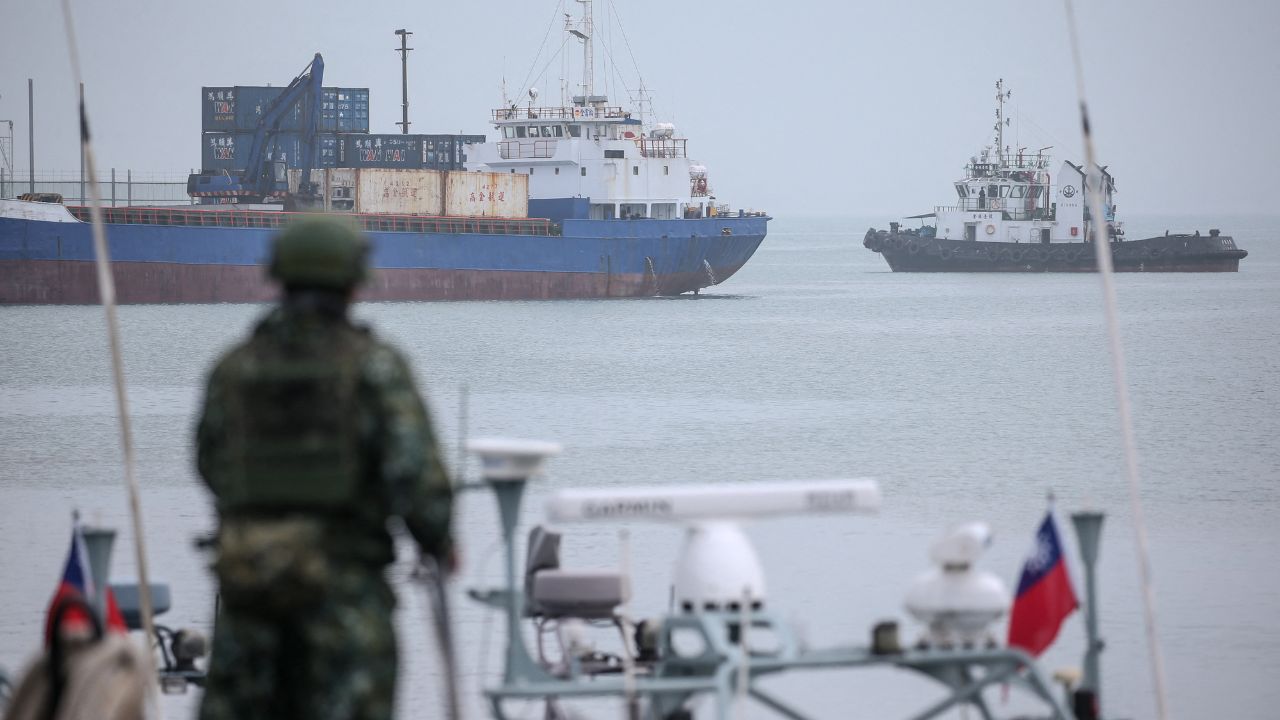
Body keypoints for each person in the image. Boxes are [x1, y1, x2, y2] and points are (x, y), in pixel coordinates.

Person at [195, 217, 454, 720]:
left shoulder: (233, 368)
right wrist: (438, 541)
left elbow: (208, 462)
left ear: (278, 277)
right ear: (354, 283)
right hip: (344, 603)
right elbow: (420, 485)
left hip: (250, 604)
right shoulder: (376, 368)